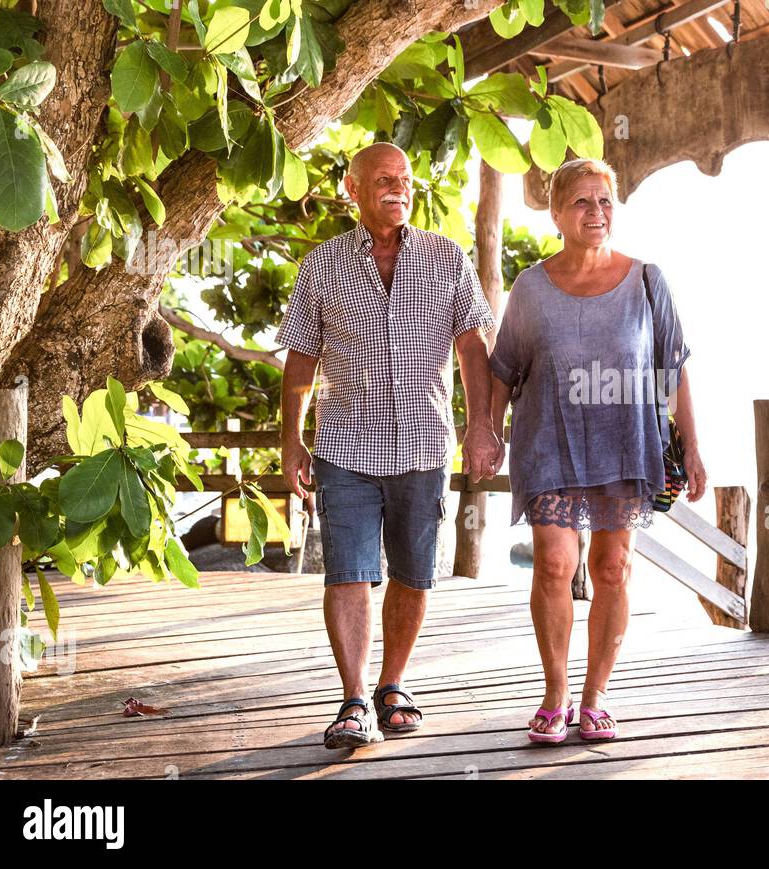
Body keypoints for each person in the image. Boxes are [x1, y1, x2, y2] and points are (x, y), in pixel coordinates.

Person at [276, 142, 502, 749]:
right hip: (343, 446)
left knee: (413, 574)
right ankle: (353, 701)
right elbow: (300, 359)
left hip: (425, 446)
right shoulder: (322, 265)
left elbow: (473, 350)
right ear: (352, 189)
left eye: (404, 178)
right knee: (347, 573)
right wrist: (291, 439)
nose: (398, 188)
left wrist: (482, 424)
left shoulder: (447, 258)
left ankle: (392, 685)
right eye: (383, 179)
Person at [488, 158, 707, 743]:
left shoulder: (646, 280)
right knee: (556, 564)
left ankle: (596, 695)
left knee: (612, 568)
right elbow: (505, 368)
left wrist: (693, 447)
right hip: (548, 441)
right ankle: (555, 693)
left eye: (605, 201)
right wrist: (484, 431)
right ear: (556, 212)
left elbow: (673, 369)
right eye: (582, 202)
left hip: (626, 442)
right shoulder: (530, 286)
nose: (596, 212)